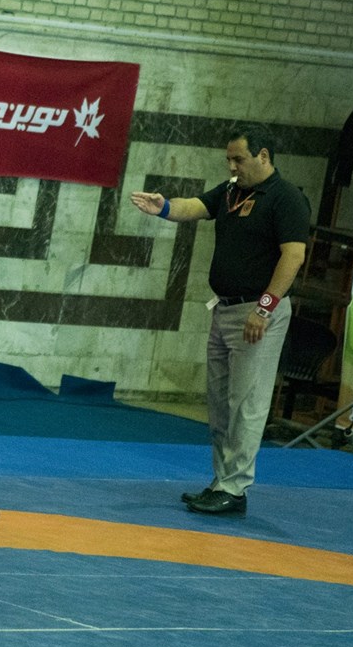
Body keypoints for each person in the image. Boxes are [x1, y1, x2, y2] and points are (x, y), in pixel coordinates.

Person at [130, 126, 309, 516]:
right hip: (225, 309)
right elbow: (194, 206)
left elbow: (293, 256)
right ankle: (221, 481)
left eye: (238, 159)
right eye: (228, 159)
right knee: (221, 403)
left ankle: (235, 487)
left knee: (247, 403)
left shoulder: (286, 198)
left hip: (257, 314)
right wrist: (163, 206)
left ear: (263, 155)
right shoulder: (232, 191)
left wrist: (264, 308)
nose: (231, 167)